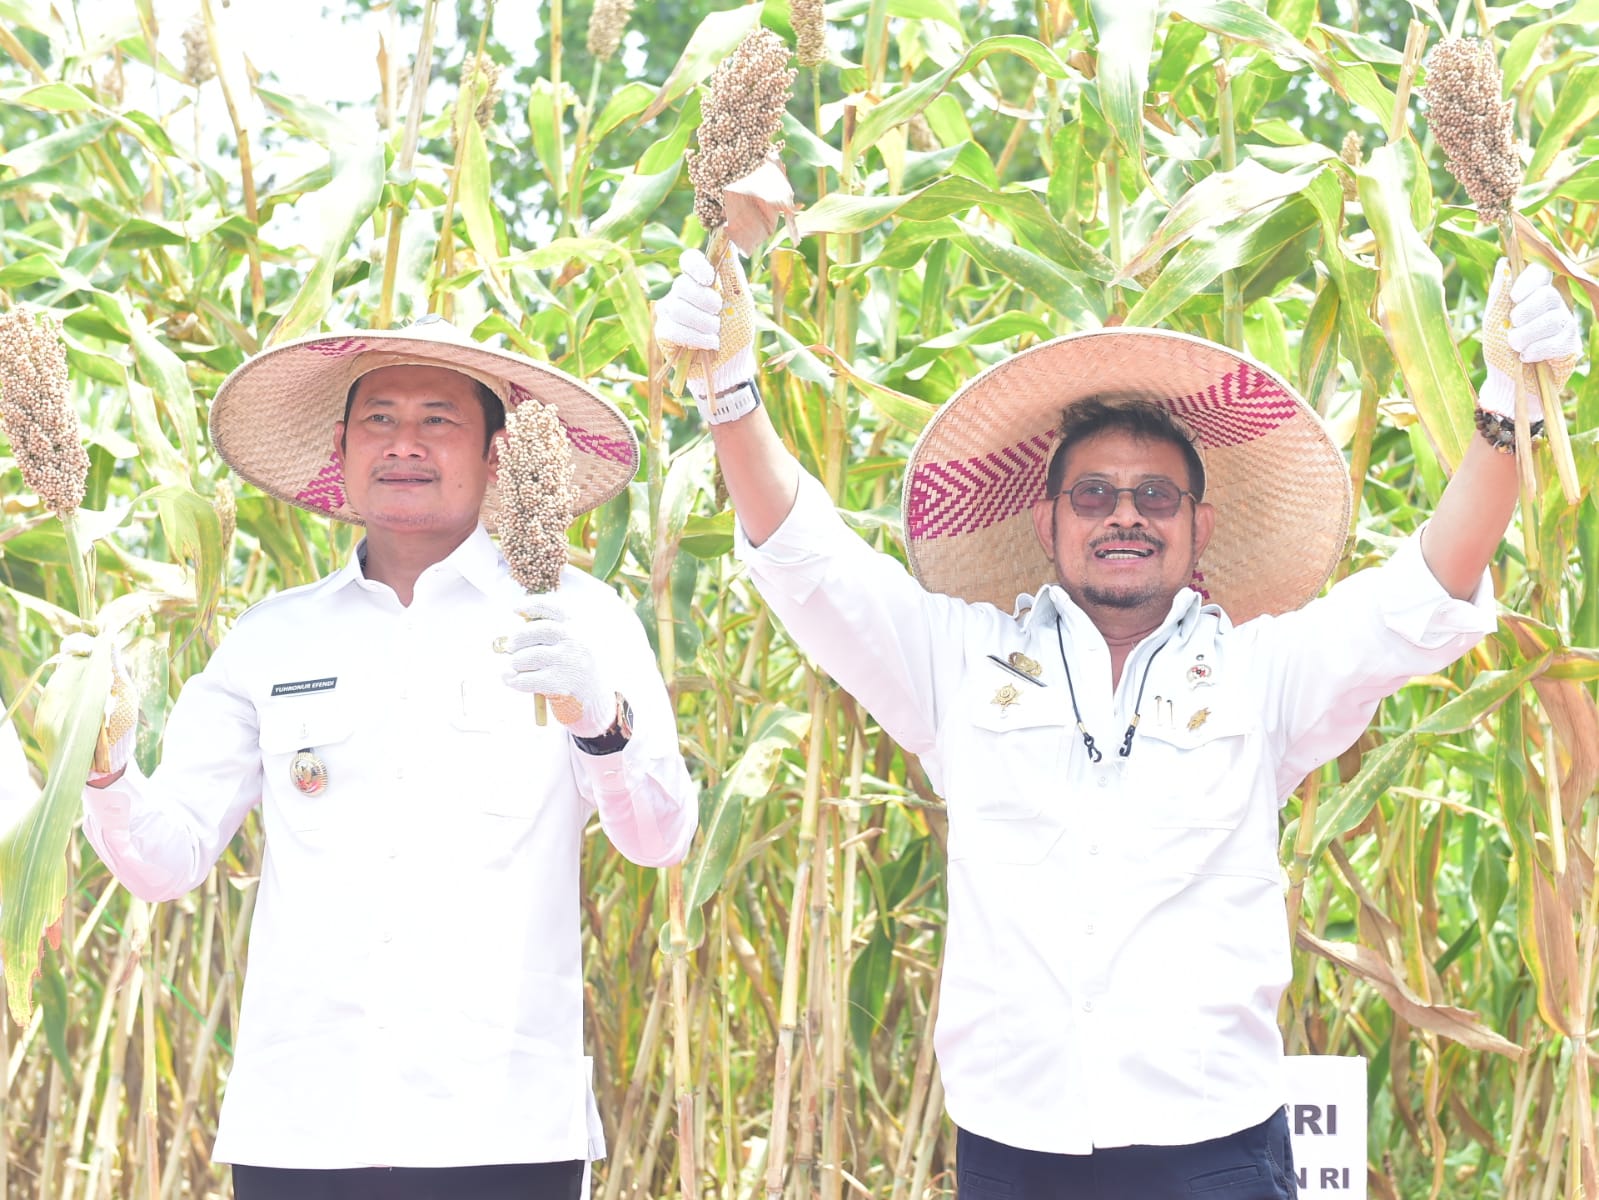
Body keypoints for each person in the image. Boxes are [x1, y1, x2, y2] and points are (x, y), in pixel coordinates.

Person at [655, 251, 1581, 1198]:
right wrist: (729, 389)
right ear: (1047, 521)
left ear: (1198, 526)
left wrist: (1508, 409)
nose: (1124, 516)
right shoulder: (957, 663)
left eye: (1155, 496)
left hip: (1215, 1143)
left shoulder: (1263, 674)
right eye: (1093, 494)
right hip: (1013, 1142)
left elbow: (1424, 592)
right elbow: (811, 563)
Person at [81, 316, 698, 1200]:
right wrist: (103, 767)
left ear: (496, 454)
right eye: (380, 419)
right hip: (304, 1128)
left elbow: (661, 837)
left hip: (503, 1126)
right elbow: (164, 860)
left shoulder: (577, 619)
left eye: (439, 419)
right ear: (341, 448)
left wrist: (601, 718)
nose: (404, 442)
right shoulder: (273, 638)